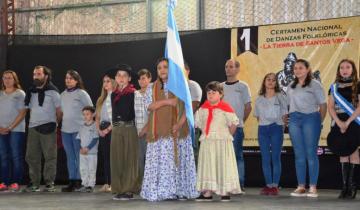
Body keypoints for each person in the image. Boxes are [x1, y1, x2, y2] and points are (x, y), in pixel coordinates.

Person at [140, 58, 198, 201]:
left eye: (165, 67)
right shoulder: (151, 87)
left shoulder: (180, 85)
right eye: (159, 68)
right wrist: (168, 102)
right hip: (159, 133)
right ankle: (163, 192)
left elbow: (187, 108)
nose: (162, 70)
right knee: (162, 163)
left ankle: (180, 190)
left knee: (177, 162)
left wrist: (179, 124)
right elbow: (150, 106)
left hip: (178, 131)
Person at [195, 81, 241, 202]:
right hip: (208, 142)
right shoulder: (202, 109)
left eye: (213, 92)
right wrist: (208, 133)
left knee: (222, 164)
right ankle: (207, 192)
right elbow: (199, 124)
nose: (210, 95)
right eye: (208, 92)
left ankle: (224, 191)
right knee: (208, 165)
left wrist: (227, 136)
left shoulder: (226, 108)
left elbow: (234, 123)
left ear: (220, 94)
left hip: (222, 142)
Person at [287, 59, 327, 198]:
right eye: (295, 68)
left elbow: (323, 105)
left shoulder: (315, 84)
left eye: (301, 68)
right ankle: (301, 186)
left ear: (308, 69)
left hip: (311, 118)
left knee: (311, 153)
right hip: (294, 120)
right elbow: (288, 105)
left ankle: (313, 187)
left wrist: (318, 122)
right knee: (299, 154)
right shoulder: (291, 86)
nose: (297, 70)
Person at [24, 65, 61, 192]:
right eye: (34, 74)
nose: (36, 76)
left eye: (39, 74)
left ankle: (49, 182)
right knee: (31, 156)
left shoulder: (53, 90)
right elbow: (27, 108)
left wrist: (56, 123)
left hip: (48, 127)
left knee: (50, 156)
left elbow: (59, 111)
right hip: (33, 127)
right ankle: (34, 183)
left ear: (46, 76)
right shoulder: (31, 91)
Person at [327, 59, 360, 199]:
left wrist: (348, 121)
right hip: (338, 122)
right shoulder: (333, 87)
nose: (344, 70)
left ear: (353, 69)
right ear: (338, 70)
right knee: (342, 153)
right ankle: (344, 187)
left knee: (353, 153)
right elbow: (330, 107)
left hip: (354, 121)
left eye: (347, 67)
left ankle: (352, 187)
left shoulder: (358, 85)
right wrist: (339, 122)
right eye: (342, 67)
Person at [110, 64, 141, 201]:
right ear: (115, 78)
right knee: (117, 159)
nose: (121, 78)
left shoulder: (134, 93)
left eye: (124, 75)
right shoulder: (113, 94)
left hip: (129, 128)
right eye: (119, 75)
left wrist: (139, 130)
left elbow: (139, 114)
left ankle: (128, 189)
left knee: (129, 159)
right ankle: (118, 188)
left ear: (129, 78)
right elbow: (112, 113)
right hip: (117, 129)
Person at [254, 73, 287, 196]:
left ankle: (275, 186)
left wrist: (280, 128)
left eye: (273, 80)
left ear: (276, 83)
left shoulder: (281, 97)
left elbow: (285, 115)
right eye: (268, 79)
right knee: (265, 158)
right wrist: (265, 124)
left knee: (275, 158)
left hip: (276, 128)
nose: (271, 82)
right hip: (262, 129)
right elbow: (258, 117)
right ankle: (268, 185)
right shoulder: (259, 99)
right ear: (264, 82)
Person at [61, 70, 93, 192]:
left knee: (80, 156)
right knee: (70, 156)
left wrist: (87, 126)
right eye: (66, 78)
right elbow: (62, 112)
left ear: (76, 80)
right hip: (65, 130)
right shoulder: (62, 94)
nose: (68, 80)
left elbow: (91, 109)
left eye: (71, 78)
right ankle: (72, 180)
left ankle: (80, 181)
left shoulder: (82, 94)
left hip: (79, 130)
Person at [222, 59, 252, 191]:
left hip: (237, 128)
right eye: (226, 66)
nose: (228, 69)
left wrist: (239, 121)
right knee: (223, 156)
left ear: (237, 69)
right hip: (221, 128)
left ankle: (239, 183)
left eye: (231, 67)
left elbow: (248, 107)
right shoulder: (220, 86)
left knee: (237, 155)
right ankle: (224, 184)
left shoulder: (243, 86)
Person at [0, 70, 26, 192]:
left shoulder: (20, 94)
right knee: (4, 156)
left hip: (16, 129)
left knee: (16, 156)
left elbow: (22, 113)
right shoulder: (0, 94)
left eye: (10, 78)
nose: (7, 80)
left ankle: (16, 182)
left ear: (15, 80)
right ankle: (4, 182)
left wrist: (10, 127)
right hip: (1, 130)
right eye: (5, 78)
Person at [95, 68, 117, 193]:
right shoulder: (101, 99)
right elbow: (97, 117)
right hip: (102, 129)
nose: (105, 84)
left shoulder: (115, 97)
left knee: (113, 157)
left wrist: (108, 129)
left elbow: (117, 117)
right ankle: (106, 182)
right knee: (105, 157)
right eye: (104, 81)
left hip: (112, 129)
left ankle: (114, 183)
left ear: (113, 82)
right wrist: (99, 129)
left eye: (108, 81)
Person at [134, 69, 152, 181]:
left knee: (150, 158)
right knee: (139, 159)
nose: (141, 81)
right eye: (139, 79)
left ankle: (150, 182)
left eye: (144, 78)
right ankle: (140, 182)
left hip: (151, 131)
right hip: (137, 131)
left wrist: (147, 128)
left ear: (149, 79)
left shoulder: (153, 93)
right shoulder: (134, 94)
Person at [77, 106, 99, 193]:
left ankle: (91, 185)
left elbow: (95, 139)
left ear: (93, 114)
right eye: (84, 114)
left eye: (87, 114)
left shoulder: (95, 126)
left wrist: (88, 148)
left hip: (91, 153)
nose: (85, 116)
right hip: (82, 153)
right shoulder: (81, 126)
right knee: (83, 169)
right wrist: (81, 149)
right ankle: (84, 184)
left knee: (91, 169)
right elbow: (78, 138)